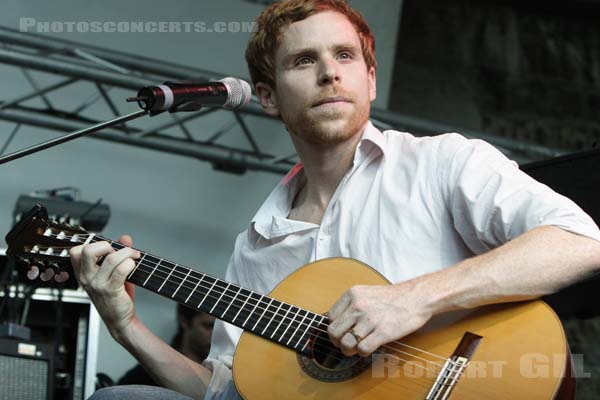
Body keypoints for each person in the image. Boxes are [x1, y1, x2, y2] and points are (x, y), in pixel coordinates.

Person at [69, 1, 600, 399]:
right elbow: (224, 390)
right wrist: (125, 326)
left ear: (369, 79)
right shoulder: (256, 244)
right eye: (304, 60)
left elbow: (580, 242)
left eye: (344, 55)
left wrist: (415, 298)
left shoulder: (444, 163)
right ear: (270, 96)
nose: (329, 72)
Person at [117, 305, 215, 387]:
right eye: (209, 326)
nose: (217, 334)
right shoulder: (144, 376)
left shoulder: (226, 375)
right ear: (184, 321)